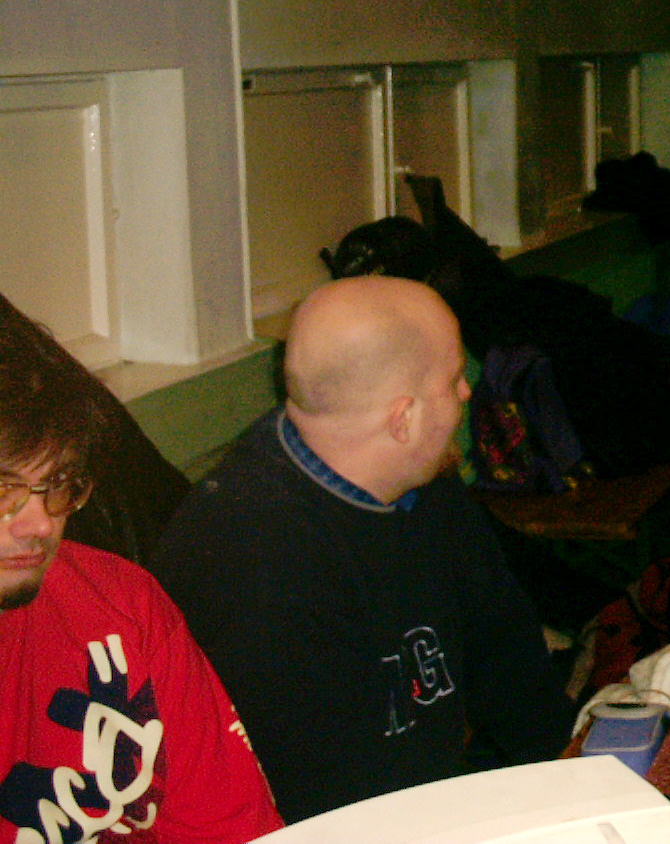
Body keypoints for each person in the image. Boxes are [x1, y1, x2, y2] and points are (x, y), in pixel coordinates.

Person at [150, 276, 574, 823]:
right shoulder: (249, 564)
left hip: (426, 802)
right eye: (453, 380)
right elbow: (328, 804)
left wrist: (582, 778)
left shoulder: (422, 484)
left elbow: (506, 652)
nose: (467, 393)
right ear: (403, 418)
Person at [1, 307, 284, 844]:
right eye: (2, 489)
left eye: (58, 484)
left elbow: (232, 827)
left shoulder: (121, 603)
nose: (39, 523)